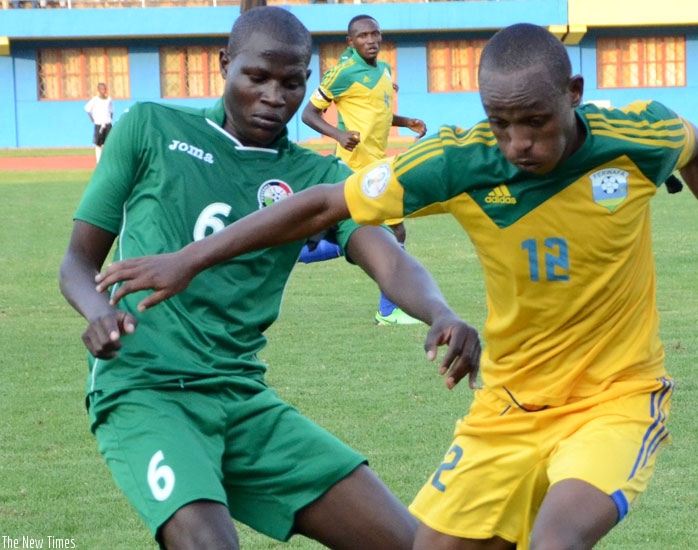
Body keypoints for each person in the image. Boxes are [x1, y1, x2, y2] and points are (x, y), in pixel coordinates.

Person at [94, 23, 698, 550]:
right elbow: (331, 206)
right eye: (501, 124)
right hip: (505, 407)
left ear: (573, 94)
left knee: (555, 539)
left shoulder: (635, 135)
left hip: (616, 397)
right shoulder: (461, 160)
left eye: (535, 122)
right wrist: (189, 259)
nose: (517, 145)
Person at [59, 7, 481, 549]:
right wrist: (99, 315)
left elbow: (390, 257)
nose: (274, 96)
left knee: (411, 543)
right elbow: (76, 261)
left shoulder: (318, 178)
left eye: (292, 82)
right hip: (146, 390)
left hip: (242, 399)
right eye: (257, 77)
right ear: (225, 64)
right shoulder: (149, 128)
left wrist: (441, 311)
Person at [301, 14, 428, 326]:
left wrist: (406, 121)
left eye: (376, 34)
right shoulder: (341, 73)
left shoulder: (384, 72)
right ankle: (290, 251)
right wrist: (338, 134)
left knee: (394, 231)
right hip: (354, 168)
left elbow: (379, 111)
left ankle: (388, 308)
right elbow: (308, 113)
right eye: (363, 36)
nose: (371, 41)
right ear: (351, 42)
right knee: (387, 232)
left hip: (380, 166)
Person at [84, 82, 114, 163]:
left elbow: (111, 109)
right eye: (102, 89)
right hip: (99, 124)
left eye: (105, 89)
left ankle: (108, 160)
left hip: (107, 123)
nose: (104, 90)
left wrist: (111, 117)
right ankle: (99, 162)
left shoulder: (109, 99)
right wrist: (91, 118)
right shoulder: (95, 100)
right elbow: (87, 109)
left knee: (109, 143)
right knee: (98, 144)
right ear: (98, 90)